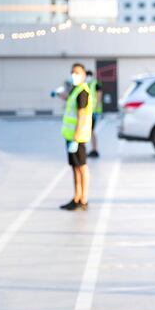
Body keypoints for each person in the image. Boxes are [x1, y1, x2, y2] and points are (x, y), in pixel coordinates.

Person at [56, 63, 93, 210]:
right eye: (73, 72)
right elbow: (70, 103)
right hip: (71, 136)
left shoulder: (83, 92)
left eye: (77, 72)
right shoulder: (75, 90)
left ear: (84, 74)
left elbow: (82, 115)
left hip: (78, 138)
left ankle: (83, 199)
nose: (74, 75)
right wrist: (58, 94)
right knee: (75, 167)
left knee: (81, 167)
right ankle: (77, 197)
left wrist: (76, 138)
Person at [85, 69, 104, 158]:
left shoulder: (95, 84)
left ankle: (94, 149)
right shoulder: (87, 84)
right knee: (90, 131)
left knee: (91, 131)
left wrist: (95, 109)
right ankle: (93, 149)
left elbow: (99, 96)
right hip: (88, 112)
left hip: (93, 112)